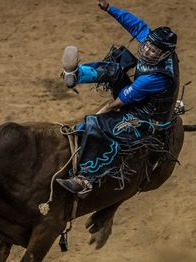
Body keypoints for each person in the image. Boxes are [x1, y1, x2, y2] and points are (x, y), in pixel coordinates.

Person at [56, 0, 180, 198]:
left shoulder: (156, 78)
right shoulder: (154, 46)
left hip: (147, 118)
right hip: (143, 100)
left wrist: (98, 114)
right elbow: (135, 24)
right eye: (147, 45)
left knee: (98, 124)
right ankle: (77, 75)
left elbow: (120, 102)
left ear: (164, 54)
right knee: (115, 65)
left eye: (153, 51)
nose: (147, 50)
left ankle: (86, 179)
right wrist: (110, 9)